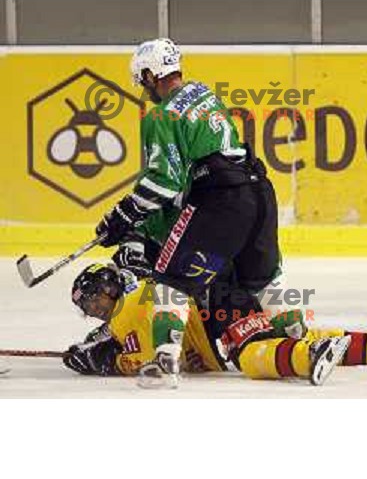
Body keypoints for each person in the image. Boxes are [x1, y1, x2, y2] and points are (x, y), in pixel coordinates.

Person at [94, 38, 282, 386]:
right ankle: (294, 344)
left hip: (221, 200)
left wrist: (122, 216)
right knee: (260, 281)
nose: (144, 89)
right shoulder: (204, 93)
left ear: (151, 74)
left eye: (143, 80)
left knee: (170, 282)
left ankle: (165, 362)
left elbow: (164, 183)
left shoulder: (161, 115)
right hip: (260, 192)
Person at [63, 263, 367, 387]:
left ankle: (308, 356)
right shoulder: (139, 292)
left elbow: (139, 359)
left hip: (217, 320)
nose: (95, 312)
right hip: (231, 301)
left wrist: (100, 361)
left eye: (93, 303)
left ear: (107, 291)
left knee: (253, 356)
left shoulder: (127, 310)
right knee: (288, 334)